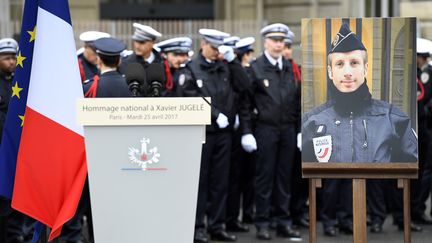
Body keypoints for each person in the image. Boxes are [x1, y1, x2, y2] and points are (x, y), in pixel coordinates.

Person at [301, 23, 418, 236]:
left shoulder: (393, 118)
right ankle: (331, 221)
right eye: (339, 64)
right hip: (332, 187)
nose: (347, 72)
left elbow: (409, 167)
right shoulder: (313, 121)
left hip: (374, 186)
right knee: (334, 186)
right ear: (329, 71)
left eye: (354, 63)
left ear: (365, 69)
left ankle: (366, 219)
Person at [176, 28, 246, 242]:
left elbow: (244, 87)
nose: (217, 53)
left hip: (224, 134)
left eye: (220, 49)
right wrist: (215, 114)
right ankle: (198, 226)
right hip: (202, 132)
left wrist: (234, 62)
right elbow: (188, 96)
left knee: (220, 181)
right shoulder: (191, 68)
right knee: (201, 181)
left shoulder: (224, 68)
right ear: (204, 44)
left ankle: (217, 224)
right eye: (214, 48)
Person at [239, 23, 301, 240]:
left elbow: (298, 101)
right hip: (265, 129)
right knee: (264, 178)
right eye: (274, 40)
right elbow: (245, 103)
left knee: (285, 178)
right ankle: (263, 222)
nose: (278, 44)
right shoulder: (255, 67)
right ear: (265, 42)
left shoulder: (291, 67)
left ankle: (283, 220)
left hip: (287, 129)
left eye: (281, 41)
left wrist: (300, 130)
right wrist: (246, 131)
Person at [0, 37, 34, 243]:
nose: (11, 62)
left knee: (16, 197)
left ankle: (15, 235)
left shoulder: (18, 80)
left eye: (14, 58)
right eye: (6, 58)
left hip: (18, 150)